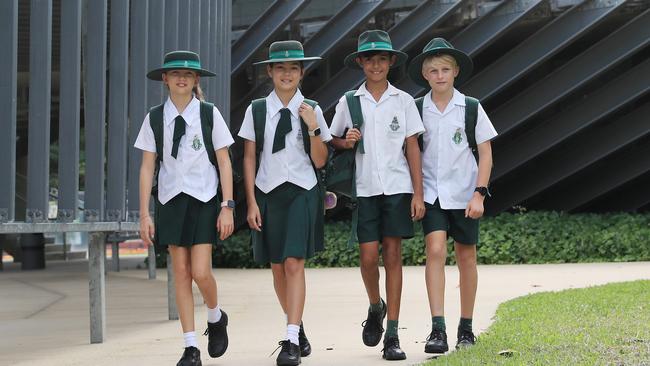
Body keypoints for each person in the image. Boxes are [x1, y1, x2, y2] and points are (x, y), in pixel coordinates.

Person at [329, 30, 425, 361]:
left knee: (394, 256)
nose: (376, 65)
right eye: (370, 59)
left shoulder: (404, 101)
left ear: (391, 62)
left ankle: (394, 335)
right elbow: (333, 141)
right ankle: (375, 306)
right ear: (361, 62)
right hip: (366, 189)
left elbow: (412, 147)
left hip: (398, 189)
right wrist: (346, 141)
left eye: (382, 59)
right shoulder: (349, 101)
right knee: (369, 257)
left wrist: (418, 193)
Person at [135, 50, 235, 366]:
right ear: (164, 79)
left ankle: (216, 316)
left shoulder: (208, 114)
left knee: (201, 272)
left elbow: (224, 162)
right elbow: (147, 168)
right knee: (179, 272)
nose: (182, 78)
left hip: (204, 199)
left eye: (188, 74)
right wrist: (144, 214)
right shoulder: (154, 118)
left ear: (196, 80)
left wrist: (227, 206)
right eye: (175, 73)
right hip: (170, 201)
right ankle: (190, 346)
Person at [238, 40, 332, 366]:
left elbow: (320, 162)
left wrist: (314, 127)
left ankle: (290, 340)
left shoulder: (313, 109)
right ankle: (298, 324)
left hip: (303, 191)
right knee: (277, 266)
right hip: (267, 192)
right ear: (270, 72)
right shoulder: (257, 110)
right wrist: (250, 202)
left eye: (293, 68)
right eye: (281, 68)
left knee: (294, 263)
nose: (287, 74)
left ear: (302, 72)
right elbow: (249, 158)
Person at [406, 37, 497, 353]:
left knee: (466, 256)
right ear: (425, 74)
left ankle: (466, 328)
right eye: (433, 71)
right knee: (434, 250)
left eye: (445, 69)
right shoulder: (417, 109)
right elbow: (410, 152)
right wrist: (416, 194)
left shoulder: (470, 107)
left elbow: (485, 155)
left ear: (455, 71)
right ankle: (438, 329)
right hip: (431, 194)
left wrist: (479, 195)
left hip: (464, 194)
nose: (440, 75)